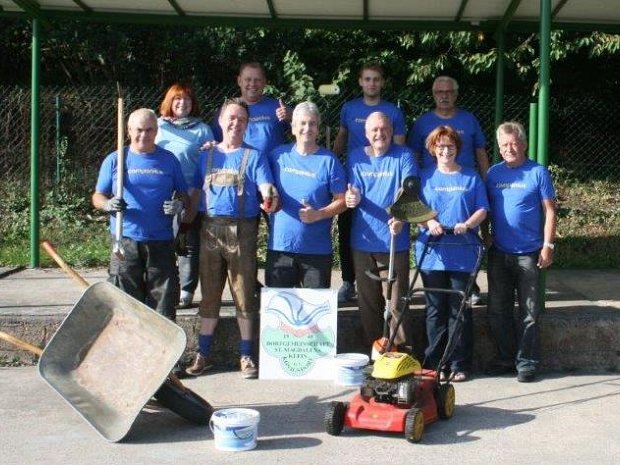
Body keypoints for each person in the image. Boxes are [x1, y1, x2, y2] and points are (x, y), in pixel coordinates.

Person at [186, 98, 278, 379]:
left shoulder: (255, 156)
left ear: (247, 125)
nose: (235, 123)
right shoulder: (206, 155)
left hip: (243, 231)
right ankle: (203, 354)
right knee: (210, 294)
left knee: (243, 294)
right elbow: (193, 193)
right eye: (231, 118)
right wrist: (183, 221)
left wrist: (269, 194)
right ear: (220, 121)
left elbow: (266, 185)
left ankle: (246, 355)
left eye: (241, 119)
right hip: (210, 230)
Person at [92, 108, 189, 321]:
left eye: (149, 130)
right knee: (124, 301)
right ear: (128, 130)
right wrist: (108, 204)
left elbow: (184, 195)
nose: (144, 135)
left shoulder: (169, 160)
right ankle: (127, 351)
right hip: (126, 241)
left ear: (156, 131)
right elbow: (98, 196)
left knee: (163, 302)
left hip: (161, 242)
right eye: (139, 130)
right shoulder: (116, 159)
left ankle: (163, 351)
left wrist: (179, 204)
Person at [407, 76, 489, 304]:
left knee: (469, 236)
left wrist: (487, 179)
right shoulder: (423, 122)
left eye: (449, 91)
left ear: (456, 93)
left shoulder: (469, 120)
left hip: (465, 189)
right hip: (433, 189)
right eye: (439, 92)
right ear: (433, 95)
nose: (444, 95)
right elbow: (413, 156)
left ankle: (469, 285)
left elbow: (481, 152)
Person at [485, 121, 557, 383]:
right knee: (497, 310)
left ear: (524, 144)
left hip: (529, 253)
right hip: (499, 253)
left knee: (529, 312)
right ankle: (505, 358)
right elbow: (484, 210)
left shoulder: (538, 172)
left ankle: (527, 362)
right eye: (504, 145)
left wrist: (548, 246)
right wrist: (485, 235)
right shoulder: (493, 174)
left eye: (514, 143)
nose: (509, 148)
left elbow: (550, 210)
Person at [415, 126, 489, 382]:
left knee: (459, 309)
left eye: (450, 146)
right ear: (433, 149)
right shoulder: (423, 177)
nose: (445, 151)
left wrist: (467, 224)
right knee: (435, 310)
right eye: (440, 146)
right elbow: (413, 206)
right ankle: (434, 362)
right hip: (432, 253)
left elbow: (482, 208)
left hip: (462, 251)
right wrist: (427, 223)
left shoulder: (471, 177)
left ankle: (458, 363)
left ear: (457, 148)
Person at [333, 62, 407, 304]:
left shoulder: (393, 112)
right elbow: (341, 139)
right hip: (355, 178)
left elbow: (398, 145)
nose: (372, 83)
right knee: (347, 229)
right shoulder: (349, 108)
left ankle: (386, 289)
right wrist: (331, 165)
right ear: (360, 82)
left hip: (382, 177)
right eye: (367, 79)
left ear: (382, 82)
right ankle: (348, 281)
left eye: (376, 79)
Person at [345, 111, 417, 351]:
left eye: (384, 129)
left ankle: (401, 352)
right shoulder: (356, 157)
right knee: (368, 303)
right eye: (374, 130)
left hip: (395, 240)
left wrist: (401, 218)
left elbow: (409, 190)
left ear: (391, 131)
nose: (380, 134)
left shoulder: (404, 156)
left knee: (396, 303)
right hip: (363, 240)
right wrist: (351, 197)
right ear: (366, 134)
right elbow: (351, 190)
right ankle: (374, 351)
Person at [266, 101, 347, 288]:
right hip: (280, 248)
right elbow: (260, 184)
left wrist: (318, 214)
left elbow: (342, 201)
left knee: (314, 314)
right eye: (302, 123)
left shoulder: (329, 161)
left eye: (312, 123)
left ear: (318, 128)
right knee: (280, 312)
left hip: (316, 250)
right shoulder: (277, 156)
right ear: (293, 127)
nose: (307, 128)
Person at [155, 83, 214, 309]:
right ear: (169, 102)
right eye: (177, 99)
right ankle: (166, 286)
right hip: (163, 196)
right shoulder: (158, 126)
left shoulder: (202, 130)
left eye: (187, 100)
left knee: (187, 244)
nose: (182, 103)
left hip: (192, 194)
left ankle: (187, 291)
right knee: (163, 243)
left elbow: (210, 163)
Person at [211, 61, 290, 154]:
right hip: (238, 166)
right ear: (239, 81)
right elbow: (216, 142)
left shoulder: (277, 107)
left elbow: (303, 131)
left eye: (257, 80)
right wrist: (210, 144)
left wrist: (291, 117)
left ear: (264, 82)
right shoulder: (228, 111)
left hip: (272, 166)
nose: (252, 84)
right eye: (248, 79)